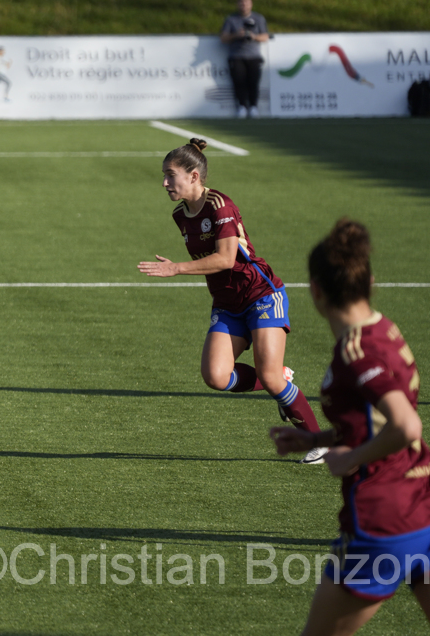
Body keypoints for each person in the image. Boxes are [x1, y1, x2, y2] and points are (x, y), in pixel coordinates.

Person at [271, 219, 430, 636]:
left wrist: (349, 457)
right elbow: (378, 420)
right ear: (370, 281)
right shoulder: (384, 328)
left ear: (315, 290)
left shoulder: (356, 351)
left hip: (386, 516)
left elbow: (406, 424)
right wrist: (318, 438)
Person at [137, 139, 328, 463]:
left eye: (171, 175)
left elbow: (226, 259)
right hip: (227, 303)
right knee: (216, 377)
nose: (165, 182)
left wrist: (176, 268)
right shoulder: (180, 215)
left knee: (269, 378)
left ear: (194, 176)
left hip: (260, 295)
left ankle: (319, 442)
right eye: (164, 175)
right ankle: (280, 380)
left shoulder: (219, 205)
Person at [220, 0, 269, 118]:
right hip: (237, 56)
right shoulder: (231, 19)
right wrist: (236, 35)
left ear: (251, 4)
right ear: (237, 4)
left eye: (246, 2)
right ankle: (241, 106)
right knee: (238, 82)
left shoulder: (258, 18)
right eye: (241, 2)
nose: (244, 5)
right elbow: (223, 38)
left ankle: (253, 107)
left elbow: (265, 36)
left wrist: (253, 36)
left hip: (254, 56)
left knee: (253, 82)